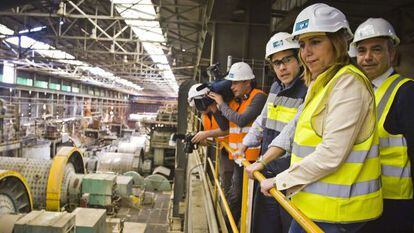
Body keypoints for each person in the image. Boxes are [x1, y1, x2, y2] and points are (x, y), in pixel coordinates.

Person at [256, 3, 383, 232]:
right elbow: (295, 126)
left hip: (339, 211)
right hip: (315, 204)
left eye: (315, 42)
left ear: (338, 42)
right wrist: (264, 161)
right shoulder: (322, 82)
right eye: (303, 44)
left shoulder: (348, 84)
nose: (306, 52)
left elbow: (331, 154)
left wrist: (280, 180)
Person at [351, 18, 414, 233]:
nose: (367, 57)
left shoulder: (406, 92)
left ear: (392, 54)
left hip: (395, 203)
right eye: (362, 50)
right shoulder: (360, 90)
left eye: (376, 50)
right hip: (364, 198)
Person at [240, 32, 307, 233]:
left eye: (287, 60)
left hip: (291, 181)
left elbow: (291, 131)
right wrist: (246, 142)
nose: (282, 67)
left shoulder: (308, 89)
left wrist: (262, 161)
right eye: (277, 63)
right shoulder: (276, 87)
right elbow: (263, 118)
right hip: (268, 174)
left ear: (299, 58)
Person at [208, 61, 267, 223]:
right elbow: (226, 125)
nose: (232, 86)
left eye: (235, 82)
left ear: (247, 82)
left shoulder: (259, 97)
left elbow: (241, 120)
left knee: (242, 201)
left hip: (253, 161)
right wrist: (215, 108)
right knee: (235, 198)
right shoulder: (237, 101)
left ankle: (230, 226)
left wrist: (221, 104)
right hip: (240, 159)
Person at [187, 81, 234, 193]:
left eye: (198, 105)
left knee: (231, 183)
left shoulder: (223, 108)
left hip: (233, 149)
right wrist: (199, 140)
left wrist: (205, 134)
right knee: (225, 180)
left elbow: (227, 129)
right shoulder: (204, 116)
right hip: (223, 150)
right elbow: (213, 138)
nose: (199, 109)